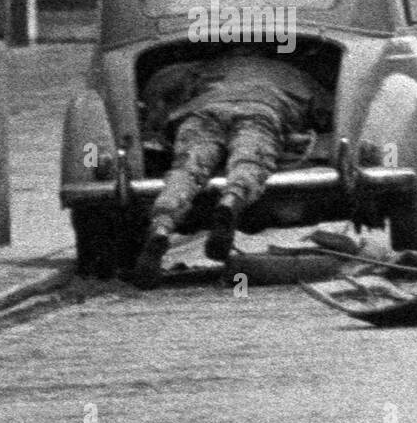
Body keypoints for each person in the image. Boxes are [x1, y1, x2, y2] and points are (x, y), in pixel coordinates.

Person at [133, 44, 330, 287]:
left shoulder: (201, 69)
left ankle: (162, 226)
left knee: (187, 169)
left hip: (202, 112)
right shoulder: (294, 73)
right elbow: (323, 114)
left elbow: (161, 94)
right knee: (250, 162)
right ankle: (230, 202)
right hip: (261, 110)